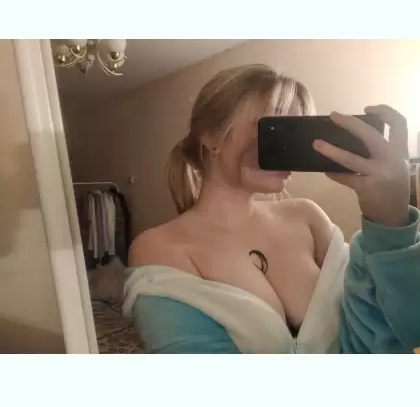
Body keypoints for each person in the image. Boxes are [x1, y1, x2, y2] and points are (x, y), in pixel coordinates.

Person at [123, 64, 420, 354]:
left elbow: (384, 335)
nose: (291, 148)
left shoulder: (307, 218)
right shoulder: (160, 248)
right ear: (213, 136)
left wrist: (389, 222)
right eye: (276, 128)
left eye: (299, 131)